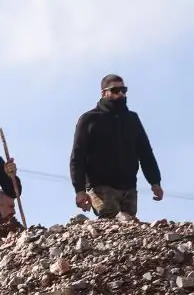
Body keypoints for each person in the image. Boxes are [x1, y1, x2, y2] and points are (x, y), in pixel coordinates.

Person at [70, 73, 164, 219]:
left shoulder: (132, 119)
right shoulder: (89, 119)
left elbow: (145, 152)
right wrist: (80, 190)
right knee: (110, 220)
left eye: (123, 90)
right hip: (100, 186)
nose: (121, 94)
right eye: (115, 90)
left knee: (129, 226)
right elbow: (78, 156)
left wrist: (155, 182)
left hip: (129, 187)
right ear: (104, 93)